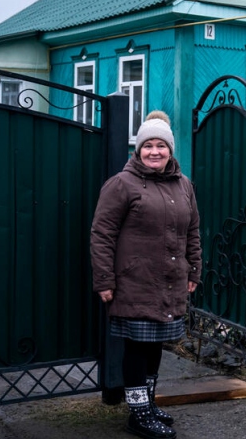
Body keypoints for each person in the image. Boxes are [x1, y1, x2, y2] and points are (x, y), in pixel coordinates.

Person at [91, 110, 201, 439]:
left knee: (155, 346)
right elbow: (101, 234)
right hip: (133, 282)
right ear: (137, 151)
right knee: (138, 348)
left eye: (161, 146)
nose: (155, 152)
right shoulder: (121, 184)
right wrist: (104, 280)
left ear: (171, 150)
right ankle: (138, 414)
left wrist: (194, 269)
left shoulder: (184, 185)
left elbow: (193, 231)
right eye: (148, 146)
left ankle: (148, 405)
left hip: (169, 281)